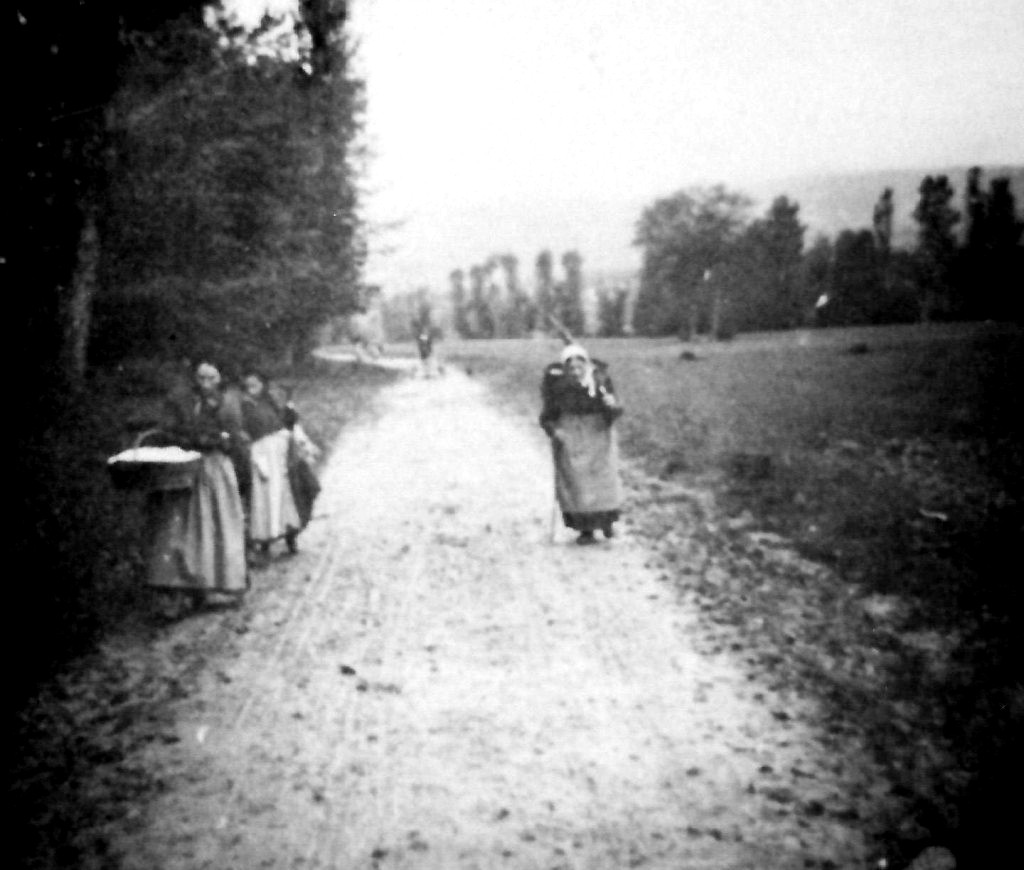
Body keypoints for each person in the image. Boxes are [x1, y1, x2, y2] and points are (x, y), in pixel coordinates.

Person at [148, 360, 249, 609]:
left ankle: (222, 582)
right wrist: (189, 438)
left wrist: (225, 443)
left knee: (219, 522)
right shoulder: (182, 401)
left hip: (216, 468)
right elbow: (168, 430)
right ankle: (186, 585)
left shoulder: (229, 402)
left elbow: (236, 437)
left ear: (220, 379)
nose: (205, 384)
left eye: (211, 378)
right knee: (187, 525)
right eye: (201, 378)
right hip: (188, 467)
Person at [539, 343, 624, 544]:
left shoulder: (600, 381)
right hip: (571, 435)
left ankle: (606, 523)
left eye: (580, 367)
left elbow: (614, 409)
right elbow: (547, 415)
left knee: (603, 480)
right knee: (577, 484)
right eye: (571, 369)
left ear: (587, 365)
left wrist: (613, 406)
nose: (576, 373)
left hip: (598, 434)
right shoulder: (557, 386)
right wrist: (555, 431)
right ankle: (585, 530)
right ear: (565, 370)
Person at [240, 369, 303, 556]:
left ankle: (289, 533)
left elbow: (285, 423)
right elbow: (250, 428)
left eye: (256, 385)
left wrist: (289, 410)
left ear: (263, 385)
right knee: (263, 494)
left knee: (283, 492)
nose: (252, 389)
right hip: (261, 453)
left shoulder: (270, 402)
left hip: (278, 451)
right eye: (248, 386)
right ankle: (264, 538)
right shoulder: (246, 405)